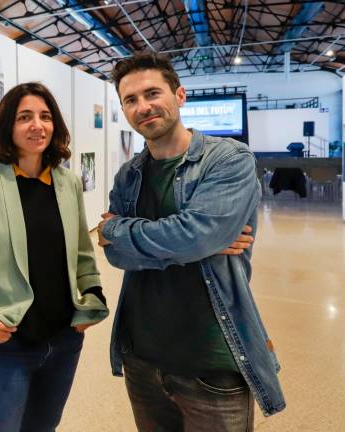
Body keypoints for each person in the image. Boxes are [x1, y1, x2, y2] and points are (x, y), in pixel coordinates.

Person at [97, 53, 285, 431]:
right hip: (142, 358)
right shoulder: (128, 175)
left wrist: (116, 231)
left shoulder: (228, 159)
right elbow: (120, 257)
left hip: (213, 362)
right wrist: (191, 241)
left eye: (152, 93)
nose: (143, 106)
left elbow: (194, 236)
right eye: (130, 100)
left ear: (179, 95)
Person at [0, 82, 109, 432]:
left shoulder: (68, 183)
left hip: (63, 341)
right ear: (8, 126)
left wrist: (92, 296)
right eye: (25, 117)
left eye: (45, 117)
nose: (37, 125)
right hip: (4, 343)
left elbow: (81, 249)